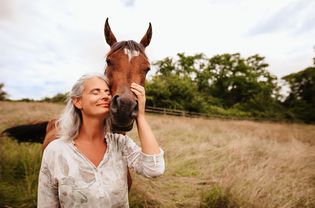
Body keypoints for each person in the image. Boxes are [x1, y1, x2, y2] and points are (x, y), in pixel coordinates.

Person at [37, 74, 165, 207]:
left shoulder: (120, 144)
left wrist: (140, 116)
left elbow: (154, 169)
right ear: (77, 101)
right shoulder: (55, 151)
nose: (105, 96)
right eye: (95, 92)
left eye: (107, 92)